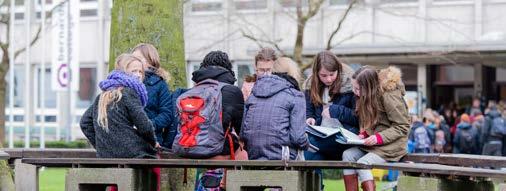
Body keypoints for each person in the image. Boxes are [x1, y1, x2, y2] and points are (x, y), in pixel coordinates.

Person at [172, 51, 244, 190]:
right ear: (228, 69)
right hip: (217, 151)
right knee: (243, 151)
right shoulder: (231, 91)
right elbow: (242, 130)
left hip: (187, 151)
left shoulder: (189, 93)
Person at [342, 66, 410, 191]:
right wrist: (364, 133)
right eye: (353, 88)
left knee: (363, 163)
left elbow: (403, 126)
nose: (355, 92)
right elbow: (370, 120)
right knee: (347, 155)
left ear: (369, 87)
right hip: (375, 144)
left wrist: (378, 138)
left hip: (393, 145)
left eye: (357, 88)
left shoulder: (389, 95)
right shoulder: (366, 95)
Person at [80, 53, 158, 158]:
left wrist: (102, 145)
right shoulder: (128, 93)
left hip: (106, 154)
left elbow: (84, 123)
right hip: (131, 152)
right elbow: (144, 125)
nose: (138, 75)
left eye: (141, 71)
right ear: (123, 72)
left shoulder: (102, 96)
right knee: (155, 161)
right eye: (134, 71)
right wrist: (153, 142)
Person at [241, 57, 308, 160]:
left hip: (253, 155)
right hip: (283, 157)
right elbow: (298, 138)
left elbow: (243, 132)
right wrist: (308, 143)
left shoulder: (253, 94)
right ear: (293, 73)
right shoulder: (295, 96)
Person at [132, 43, 173, 147]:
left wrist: (147, 125)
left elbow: (166, 114)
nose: (135, 62)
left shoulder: (160, 84)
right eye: (133, 59)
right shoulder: (125, 82)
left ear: (150, 60)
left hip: (151, 141)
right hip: (128, 140)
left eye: (139, 59)